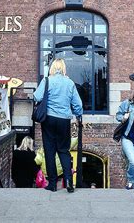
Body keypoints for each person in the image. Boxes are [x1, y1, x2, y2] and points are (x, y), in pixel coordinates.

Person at [33, 58, 83, 193]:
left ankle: (53, 184)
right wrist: (78, 115)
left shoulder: (47, 80)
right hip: (64, 120)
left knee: (49, 151)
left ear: (52, 68)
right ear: (64, 68)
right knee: (63, 150)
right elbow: (78, 105)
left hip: (48, 119)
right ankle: (68, 181)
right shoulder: (70, 83)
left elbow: (36, 97)